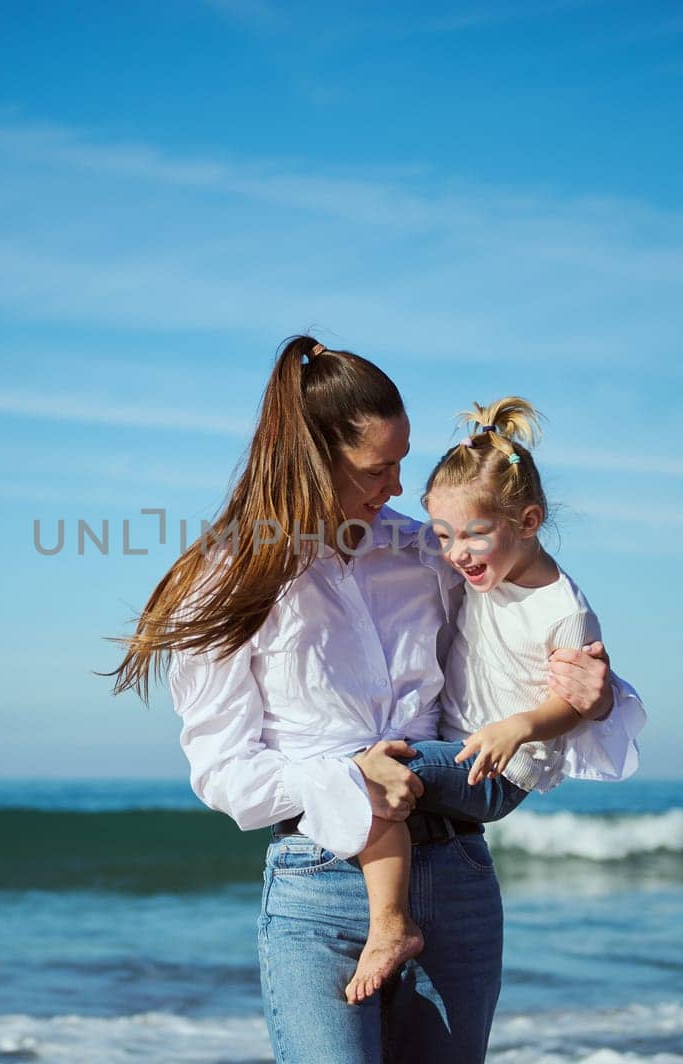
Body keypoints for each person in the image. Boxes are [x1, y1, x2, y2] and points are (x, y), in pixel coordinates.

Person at [109, 336, 645, 1063]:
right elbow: (224, 776)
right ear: (311, 455)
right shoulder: (225, 580)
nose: (397, 487)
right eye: (377, 468)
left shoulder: (426, 555)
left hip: (456, 878)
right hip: (320, 887)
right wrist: (347, 777)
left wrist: (597, 693)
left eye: (402, 461)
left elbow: (524, 633)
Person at [345, 395, 643, 1005]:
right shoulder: (481, 570)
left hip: (502, 769)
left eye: (473, 535)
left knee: (377, 769)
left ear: (528, 521)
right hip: (460, 743)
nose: (456, 553)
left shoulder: (562, 610)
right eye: (445, 535)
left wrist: (520, 727)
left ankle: (391, 928)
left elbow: (579, 702)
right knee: (389, 774)